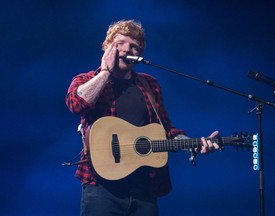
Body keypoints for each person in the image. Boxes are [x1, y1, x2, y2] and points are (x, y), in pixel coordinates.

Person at [66, 19, 219, 216]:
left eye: (134, 47)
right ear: (107, 47)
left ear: (139, 55)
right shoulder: (86, 80)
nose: (126, 49)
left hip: (144, 191)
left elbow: (166, 131)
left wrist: (193, 143)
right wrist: (106, 72)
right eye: (119, 43)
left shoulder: (149, 85)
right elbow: (76, 104)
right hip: (101, 190)